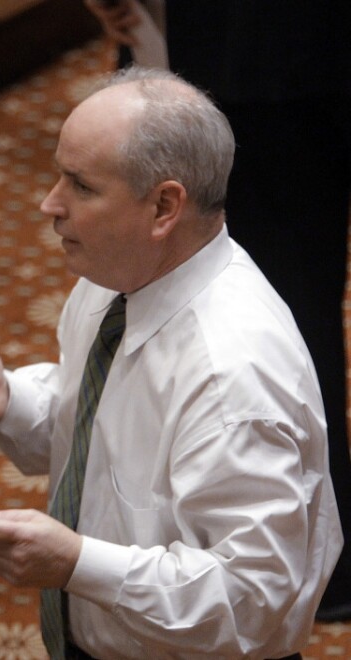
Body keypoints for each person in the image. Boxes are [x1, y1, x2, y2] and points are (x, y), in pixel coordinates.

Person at [0, 66, 341, 658]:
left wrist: (78, 563)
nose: (48, 204)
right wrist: (9, 401)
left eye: (80, 185)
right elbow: (104, 434)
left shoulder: (232, 374)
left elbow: (248, 600)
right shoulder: (112, 280)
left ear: (164, 206)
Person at [84, 0, 351, 622]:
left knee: (290, 310)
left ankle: (315, 559)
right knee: (158, 285)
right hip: (197, 49)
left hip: (278, 65)